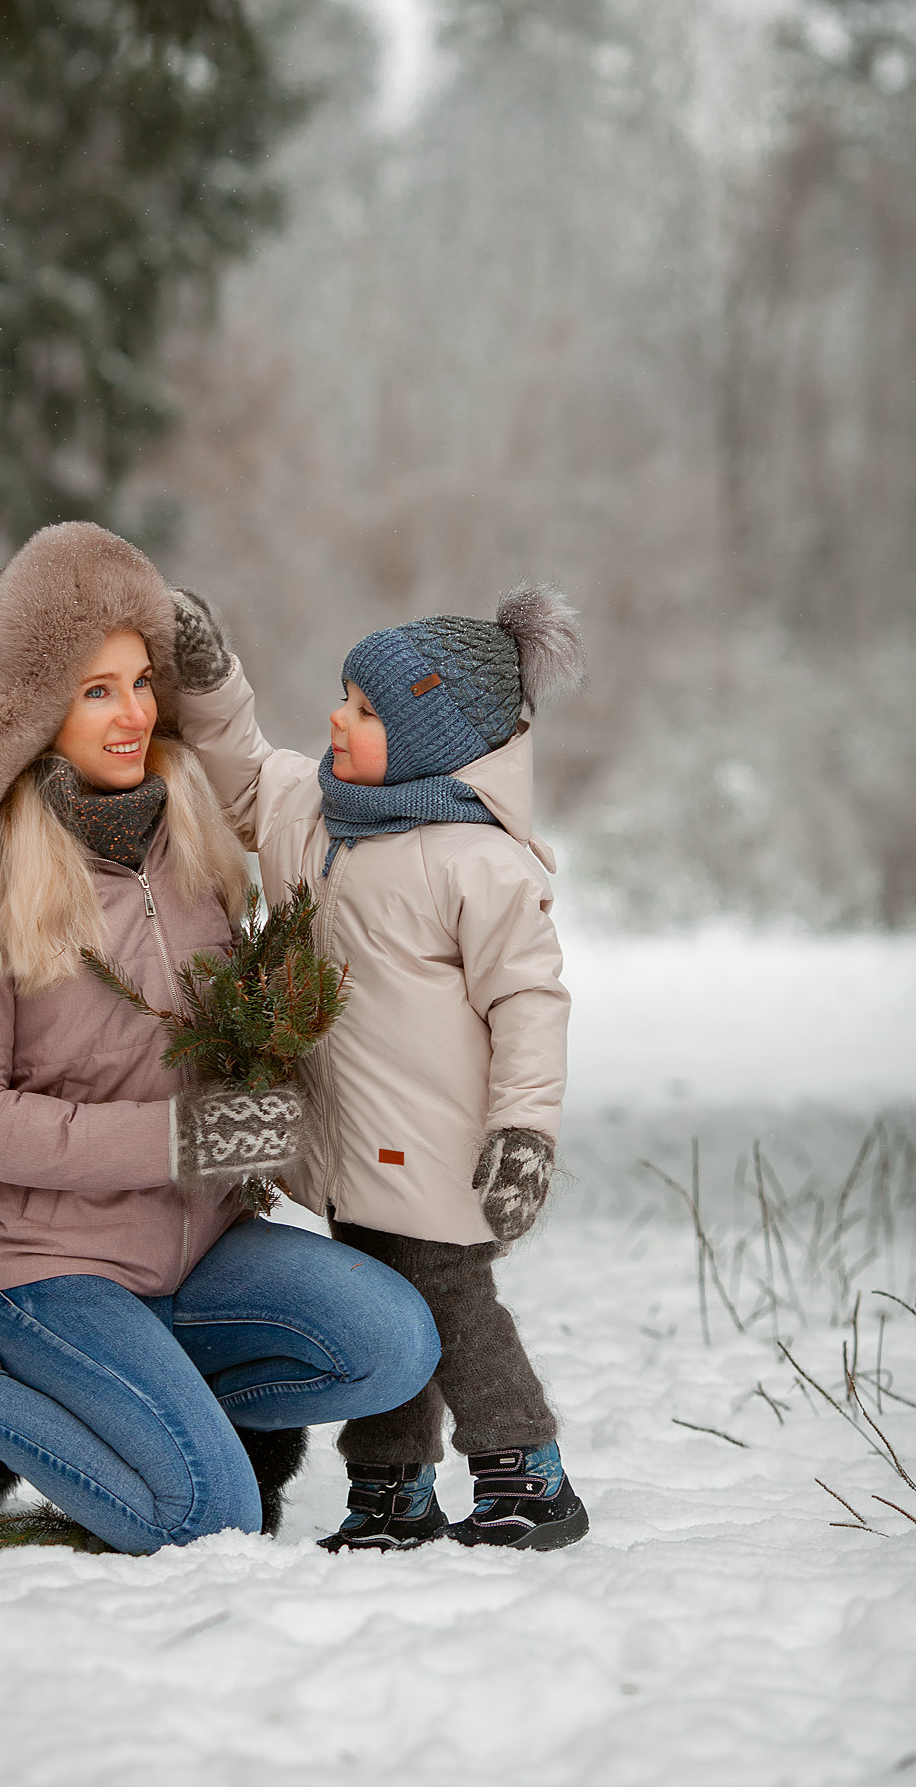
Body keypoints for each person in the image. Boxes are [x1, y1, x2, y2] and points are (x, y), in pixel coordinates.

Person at [0, 522, 441, 1554]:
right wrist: (175, 1140)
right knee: (204, 1518)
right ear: (27, 705)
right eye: (95, 689)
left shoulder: (190, 841)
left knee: (393, 1340)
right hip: (47, 1266)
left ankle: (152, 1412)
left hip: (200, 1250)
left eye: (141, 682)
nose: (133, 714)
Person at [169, 584, 590, 1551]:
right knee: (382, 1314)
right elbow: (239, 775)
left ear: (433, 740)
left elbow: (529, 1003)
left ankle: (527, 1469)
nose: (338, 718)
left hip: (446, 1156)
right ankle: (390, 1490)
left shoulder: (477, 864)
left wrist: (523, 1133)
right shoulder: (316, 812)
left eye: (366, 710)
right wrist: (209, 676)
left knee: (453, 1307)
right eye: (344, 696)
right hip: (356, 1155)